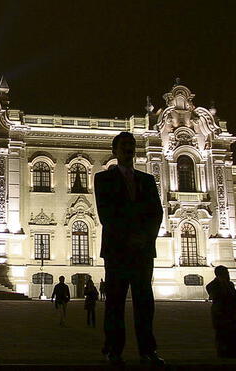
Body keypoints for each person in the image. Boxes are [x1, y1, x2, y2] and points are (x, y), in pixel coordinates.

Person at [94, 131, 164, 366]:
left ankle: (148, 350)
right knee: (115, 302)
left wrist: (145, 239)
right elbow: (106, 214)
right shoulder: (102, 179)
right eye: (124, 145)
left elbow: (157, 212)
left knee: (145, 302)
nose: (129, 149)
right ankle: (113, 349)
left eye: (132, 145)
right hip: (117, 250)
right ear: (114, 151)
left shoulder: (147, 180)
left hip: (143, 251)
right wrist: (130, 237)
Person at [206, 265, 236, 358]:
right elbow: (214, 296)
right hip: (221, 317)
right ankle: (223, 357)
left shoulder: (230, 284)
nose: (228, 275)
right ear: (220, 274)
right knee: (222, 339)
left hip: (233, 317)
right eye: (226, 273)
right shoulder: (212, 285)